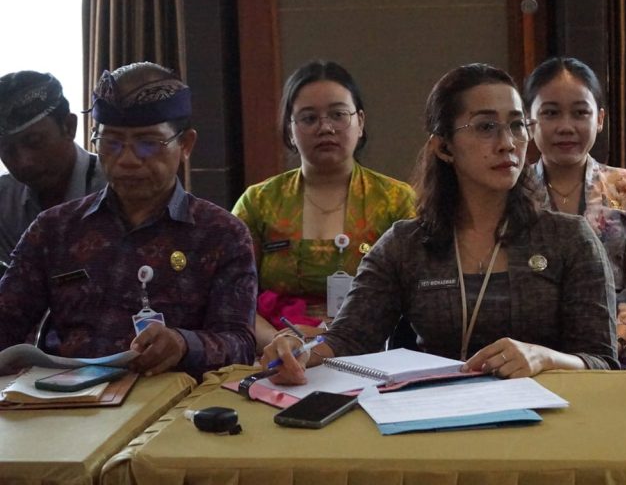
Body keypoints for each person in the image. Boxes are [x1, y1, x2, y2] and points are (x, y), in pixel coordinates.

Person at [261, 63, 618, 384]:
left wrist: (545, 358)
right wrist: (299, 350)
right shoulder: (408, 243)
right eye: (486, 127)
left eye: (516, 125)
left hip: (550, 418)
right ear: (444, 147)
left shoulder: (569, 239)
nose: (507, 143)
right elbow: (349, 338)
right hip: (435, 415)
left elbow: (602, 362)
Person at [0, 62, 257, 377]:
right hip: (66, 395)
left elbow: (240, 343)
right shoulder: (54, 229)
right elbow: (6, 320)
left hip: (173, 397)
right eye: (111, 143)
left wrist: (184, 344)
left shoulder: (221, 234)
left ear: (186, 145)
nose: (127, 160)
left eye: (148, 143)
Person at [232, 60, 416, 349]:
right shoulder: (258, 202)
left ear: (360, 122)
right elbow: (233, 299)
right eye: (309, 118)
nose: (325, 127)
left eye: (338, 115)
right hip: (277, 351)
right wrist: (282, 341)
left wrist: (335, 341)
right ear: (289, 130)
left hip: (370, 351)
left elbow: (418, 297)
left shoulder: (396, 200)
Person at [524, 57, 626, 369]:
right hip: (534, 359)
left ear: (600, 119)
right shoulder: (514, 192)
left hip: (619, 356)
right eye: (550, 113)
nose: (566, 127)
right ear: (528, 121)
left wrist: (607, 348)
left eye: (580, 113)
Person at [0, 71, 106, 266]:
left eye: (34, 142)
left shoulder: (121, 189)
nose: (24, 162)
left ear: (69, 127)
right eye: (7, 150)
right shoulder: (4, 201)